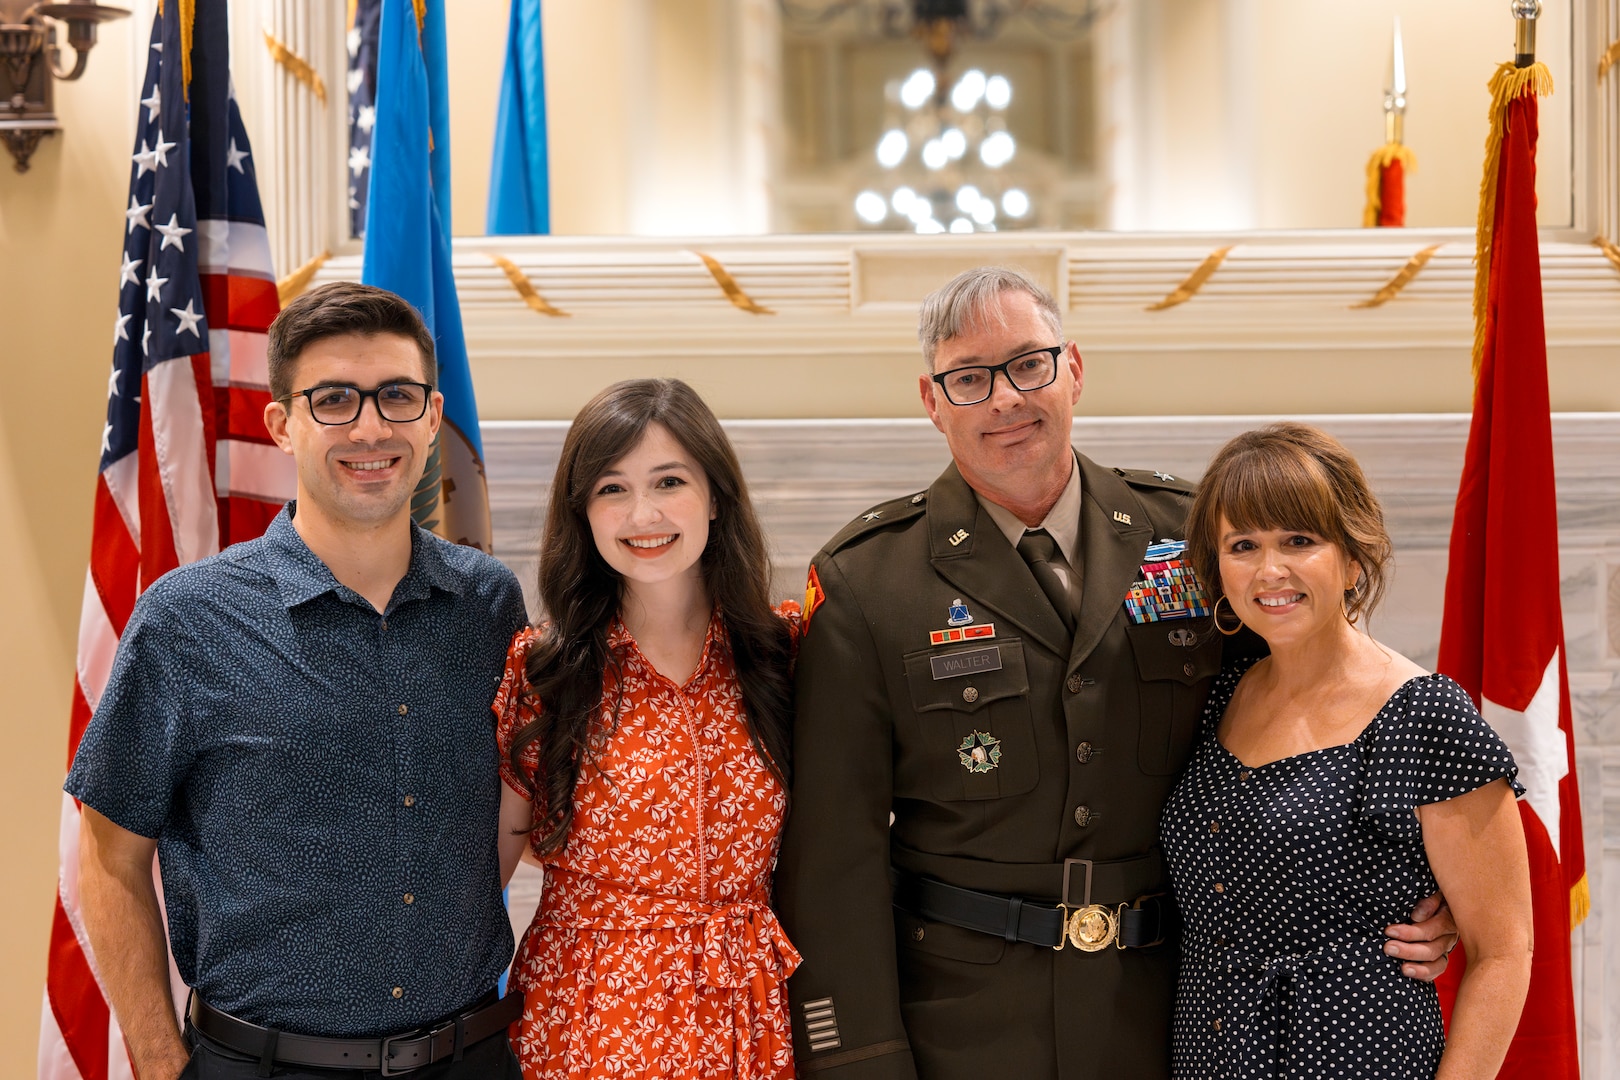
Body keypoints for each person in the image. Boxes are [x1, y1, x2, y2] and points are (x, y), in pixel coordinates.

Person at [774, 267, 1459, 1080]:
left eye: (1030, 364)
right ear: (932, 400)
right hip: (963, 1029)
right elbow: (833, 861)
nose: (1005, 400)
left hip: (1181, 1012)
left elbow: (1309, 708)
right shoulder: (867, 584)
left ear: (1074, 369)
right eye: (969, 379)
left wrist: (1418, 884)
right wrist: (861, 1061)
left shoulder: (1194, 536)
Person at [66, 281, 528, 1080]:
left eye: (396, 396)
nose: (370, 427)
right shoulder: (186, 621)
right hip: (260, 1063)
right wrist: (156, 1059)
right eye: (334, 400)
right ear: (282, 423)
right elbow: (107, 858)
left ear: (430, 414)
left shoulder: (488, 604)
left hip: (472, 1056)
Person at [1162, 422, 1532, 1078]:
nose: (1270, 570)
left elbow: (1504, 951)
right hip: (1207, 1054)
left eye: (1298, 541)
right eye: (1242, 545)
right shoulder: (1216, 696)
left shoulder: (1426, 715)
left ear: (1353, 557)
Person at [494, 378, 801, 1080]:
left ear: (716, 495)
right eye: (611, 488)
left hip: (748, 1015)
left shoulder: (786, 653)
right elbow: (489, 875)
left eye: (669, 481)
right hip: (587, 1018)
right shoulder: (543, 669)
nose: (643, 513)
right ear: (583, 512)